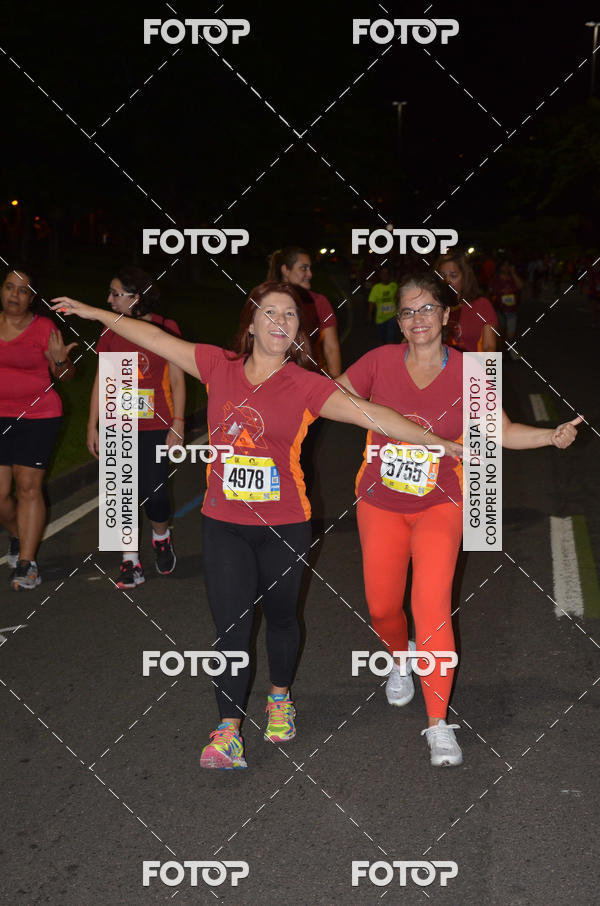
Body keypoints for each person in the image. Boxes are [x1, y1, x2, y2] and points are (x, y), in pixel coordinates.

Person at [52, 281, 462, 771]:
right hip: (223, 523)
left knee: (284, 618)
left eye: (290, 316)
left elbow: (374, 414)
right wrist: (95, 311)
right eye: (270, 313)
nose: (280, 323)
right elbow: (154, 339)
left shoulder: (308, 385)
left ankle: (280, 697)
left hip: (285, 524)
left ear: (297, 331)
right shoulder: (216, 366)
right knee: (231, 628)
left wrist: (438, 442)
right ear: (251, 324)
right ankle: (227, 730)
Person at [336, 273, 580, 767]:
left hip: (441, 503)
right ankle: (399, 656)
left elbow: (503, 430)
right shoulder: (378, 363)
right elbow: (327, 399)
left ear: (447, 315)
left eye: (428, 309)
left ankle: (437, 722)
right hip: (380, 503)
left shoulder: (472, 370)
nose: (418, 319)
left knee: (432, 606)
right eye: (408, 311)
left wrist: (549, 437)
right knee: (383, 606)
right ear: (398, 321)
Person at [88, 267, 185, 589]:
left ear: (136, 297)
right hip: (119, 423)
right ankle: (130, 561)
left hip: (157, 423)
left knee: (156, 493)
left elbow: (176, 377)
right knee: (123, 495)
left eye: (116, 293)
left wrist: (179, 423)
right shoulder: (110, 331)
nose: (108, 299)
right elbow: (102, 380)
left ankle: (162, 537)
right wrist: (93, 425)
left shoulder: (166, 328)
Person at [0, 267, 76, 589]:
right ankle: (19, 533)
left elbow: (67, 377)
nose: (14, 295)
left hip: (38, 416)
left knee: (29, 487)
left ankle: (28, 564)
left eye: (22, 290)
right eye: (8, 287)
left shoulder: (44, 327)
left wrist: (60, 361)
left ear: (32, 298)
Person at [267, 247, 341, 377]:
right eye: (303, 268)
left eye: (310, 268)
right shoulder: (265, 301)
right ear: (286, 270)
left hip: (312, 380)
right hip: (275, 381)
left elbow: (331, 348)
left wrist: (337, 383)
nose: (310, 274)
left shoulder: (319, 302)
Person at [435, 251, 498, 352]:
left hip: (474, 366)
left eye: (454, 276)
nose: (447, 281)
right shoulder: (434, 306)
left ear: (465, 277)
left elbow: (490, 348)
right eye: (442, 276)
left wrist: (489, 368)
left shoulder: (482, 305)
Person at [489, 258, 524, 358]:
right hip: (500, 311)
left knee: (510, 335)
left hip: (512, 311)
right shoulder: (496, 279)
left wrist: (513, 273)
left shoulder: (513, 278)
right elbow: (490, 292)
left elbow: (521, 286)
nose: (506, 267)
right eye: (504, 265)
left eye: (508, 265)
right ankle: (501, 354)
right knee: (500, 334)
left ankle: (508, 351)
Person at [368, 266, 399, 344]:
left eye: (387, 273)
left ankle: (390, 352)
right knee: (383, 338)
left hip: (392, 316)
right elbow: (372, 302)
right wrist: (369, 315)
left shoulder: (394, 286)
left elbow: (398, 299)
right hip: (380, 318)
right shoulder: (376, 288)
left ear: (389, 275)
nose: (385, 275)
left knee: (390, 338)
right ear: (380, 275)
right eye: (383, 273)